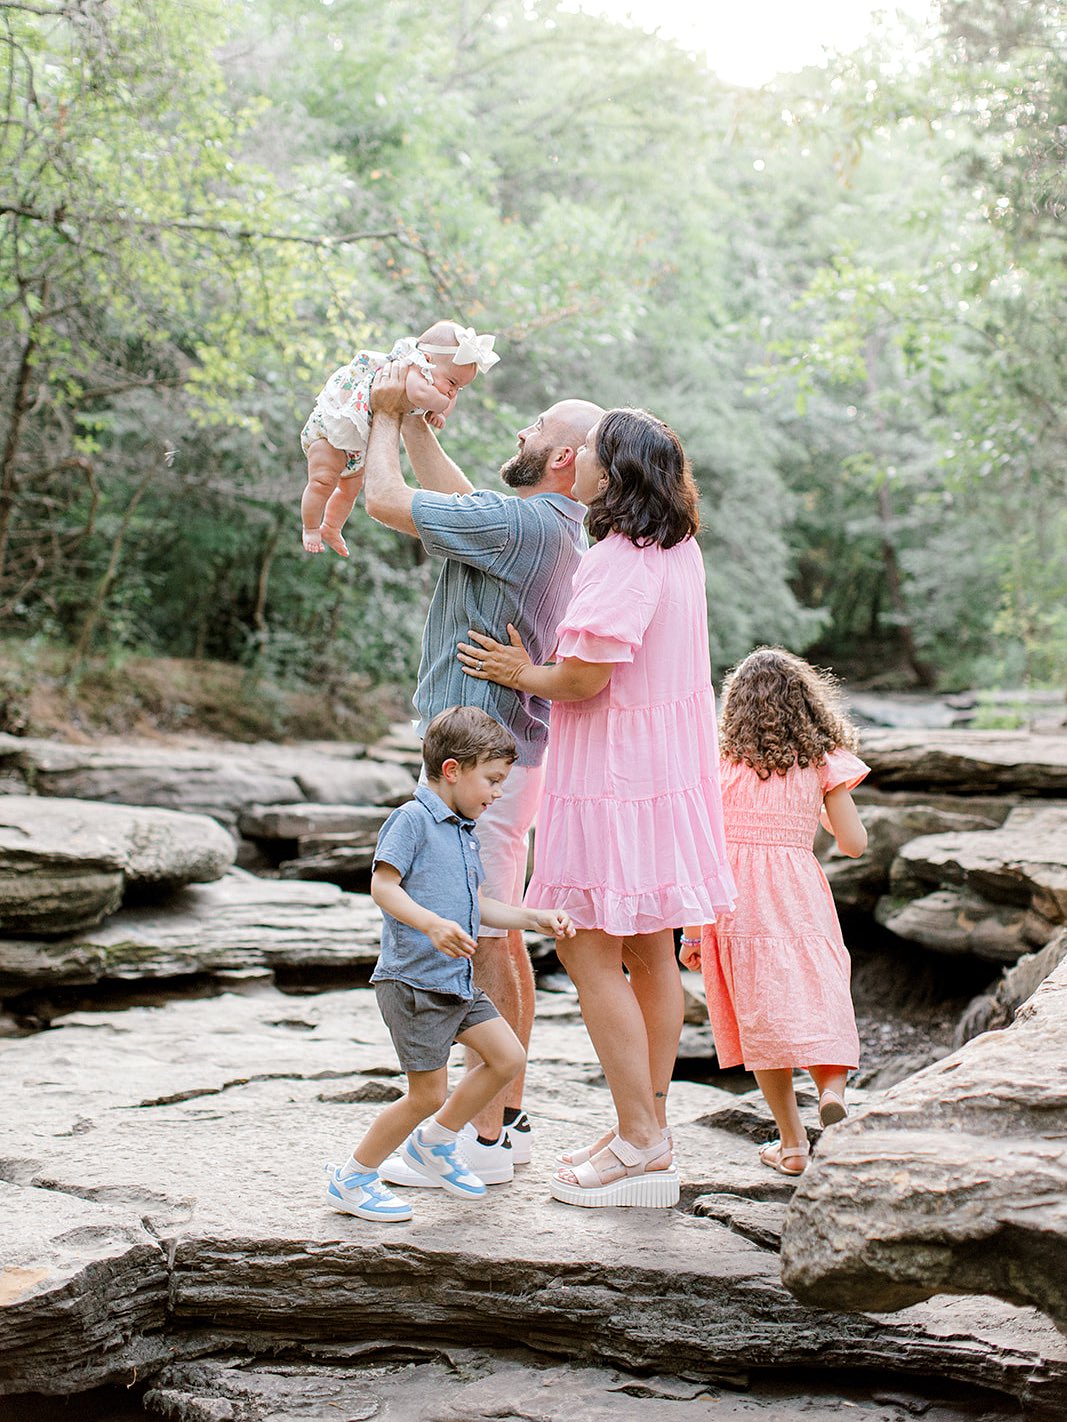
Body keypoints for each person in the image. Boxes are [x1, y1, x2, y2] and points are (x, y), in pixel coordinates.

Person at [458, 407, 736, 1209]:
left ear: (612, 472)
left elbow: (583, 679)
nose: (572, 460)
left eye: (586, 452)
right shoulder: (676, 548)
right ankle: (646, 1130)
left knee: (585, 953)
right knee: (649, 952)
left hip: (614, 781)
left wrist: (518, 672)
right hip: (663, 775)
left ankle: (640, 1142)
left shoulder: (619, 559)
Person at [360, 361, 604, 1184]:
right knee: (494, 937)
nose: (521, 429)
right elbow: (462, 501)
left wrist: (384, 415)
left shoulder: (526, 525)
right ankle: (508, 1119)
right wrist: (419, 425)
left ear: (561, 457)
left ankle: (484, 1136)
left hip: (484, 766)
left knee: (483, 943)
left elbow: (385, 501)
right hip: (503, 756)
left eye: (538, 425)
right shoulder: (541, 525)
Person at [324, 705, 573, 1222]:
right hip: (414, 983)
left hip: (455, 983)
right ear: (453, 770)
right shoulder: (411, 820)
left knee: (507, 1057)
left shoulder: (464, 832)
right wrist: (432, 925)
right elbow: (383, 886)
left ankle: (434, 1143)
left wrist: (532, 918)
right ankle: (352, 1178)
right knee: (425, 1095)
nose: (498, 793)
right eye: (493, 780)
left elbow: (476, 903)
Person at [678, 647, 869, 1178]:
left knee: (761, 1018)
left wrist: (692, 934)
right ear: (808, 703)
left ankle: (791, 1144)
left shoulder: (717, 766)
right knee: (819, 995)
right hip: (798, 894)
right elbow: (854, 844)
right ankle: (831, 1091)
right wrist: (816, 812)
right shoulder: (823, 760)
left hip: (734, 902)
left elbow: (702, 857)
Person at [300, 320, 499, 557]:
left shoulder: (437, 382)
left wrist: (440, 413)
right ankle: (310, 527)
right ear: (427, 359)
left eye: (460, 388)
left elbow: (439, 400)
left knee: (349, 491)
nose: (453, 392)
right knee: (323, 481)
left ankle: (332, 526)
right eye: (452, 383)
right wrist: (441, 404)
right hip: (330, 432)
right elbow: (418, 393)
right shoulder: (413, 366)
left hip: (357, 448)